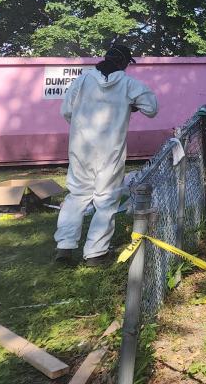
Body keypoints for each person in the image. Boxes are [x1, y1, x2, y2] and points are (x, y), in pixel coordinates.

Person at [53, 43, 158, 266]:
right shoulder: (129, 84)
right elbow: (152, 108)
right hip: (110, 150)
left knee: (77, 196)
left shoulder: (82, 81)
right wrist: (131, 106)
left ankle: (64, 246)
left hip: (81, 147)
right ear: (123, 63)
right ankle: (95, 253)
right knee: (106, 199)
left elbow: (66, 111)